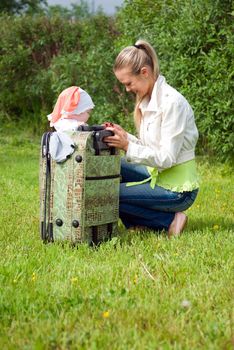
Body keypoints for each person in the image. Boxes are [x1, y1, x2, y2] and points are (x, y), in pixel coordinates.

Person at [104, 40, 199, 237]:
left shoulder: (172, 103)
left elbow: (166, 158)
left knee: (109, 195)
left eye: (128, 83)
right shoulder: (148, 101)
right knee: (112, 166)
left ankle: (169, 221)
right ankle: (139, 220)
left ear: (145, 72)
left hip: (178, 190)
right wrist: (125, 137)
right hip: (159, 174)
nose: (127, 89)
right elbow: (151, 148)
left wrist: (128, 146)